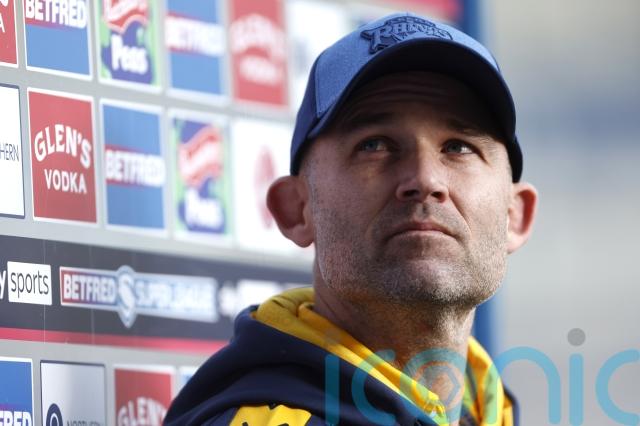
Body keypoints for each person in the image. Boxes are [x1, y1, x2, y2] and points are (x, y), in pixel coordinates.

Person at [166, 11, 537, 426]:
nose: (425, 179)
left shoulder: (485, 410)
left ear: (515, 215)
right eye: (374, 145)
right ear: (296, 210)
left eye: (459, 147)